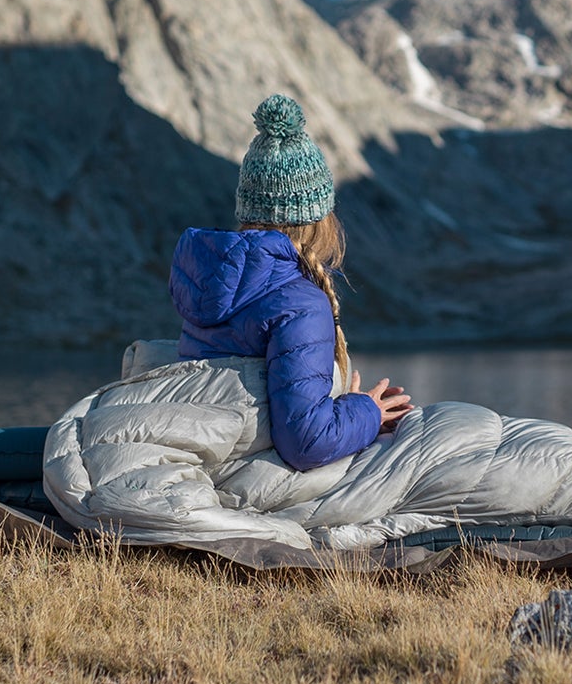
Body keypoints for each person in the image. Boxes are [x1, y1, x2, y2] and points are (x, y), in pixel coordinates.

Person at [168, 93, 413, 471]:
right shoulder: (300, 303)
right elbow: (307, 443)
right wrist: (366, 412)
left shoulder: (213, 279)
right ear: (320, 218)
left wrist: (336, 400)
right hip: (251, 473)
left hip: (208, 463)